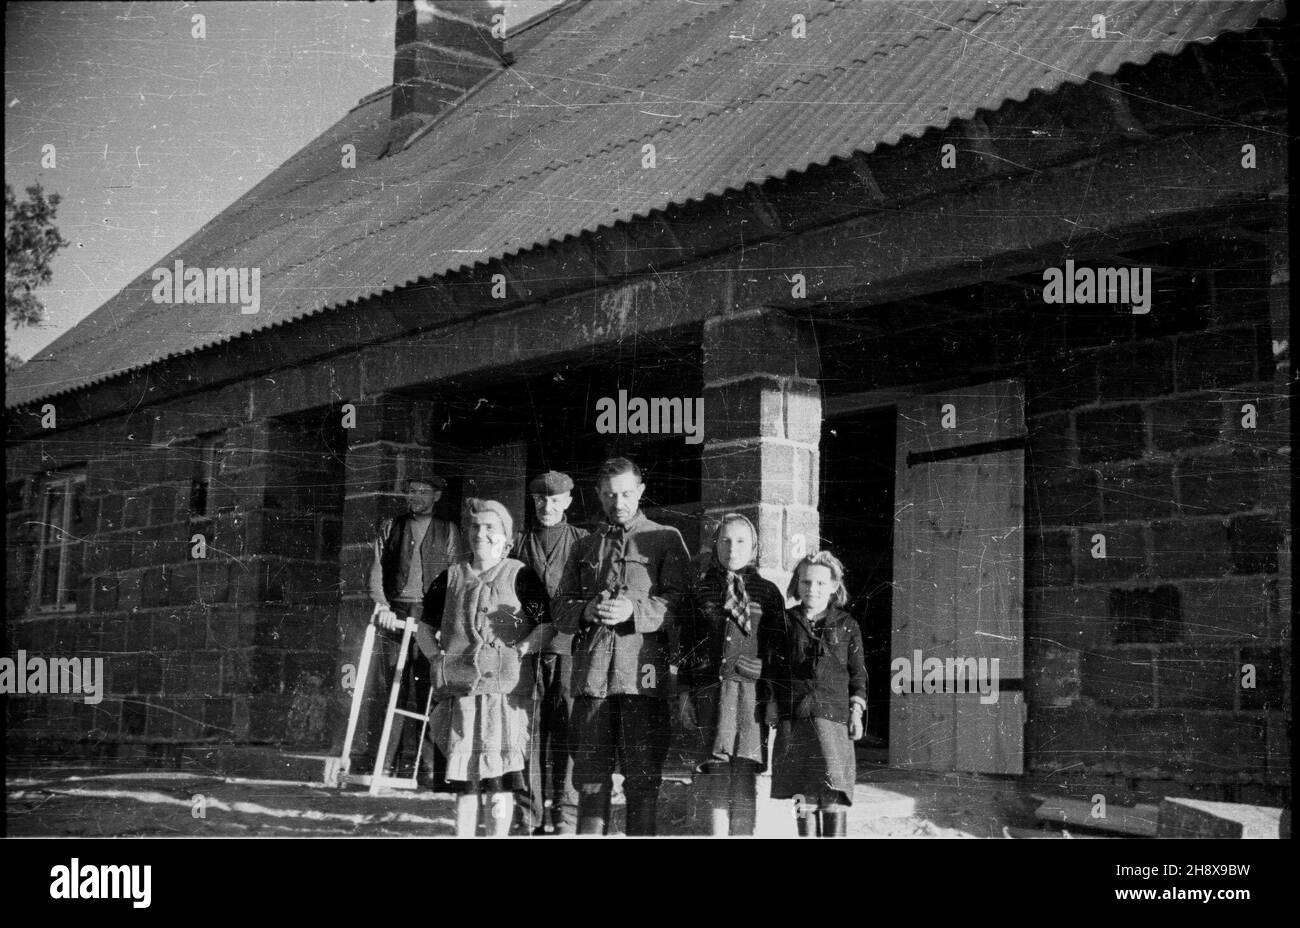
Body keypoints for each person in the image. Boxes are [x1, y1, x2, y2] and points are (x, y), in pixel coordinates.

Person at [555, 457, 690, 835]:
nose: (619, 502)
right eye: (610, 495)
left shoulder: (665, 538)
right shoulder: (584, 545)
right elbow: (559, 606)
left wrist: (634, 609)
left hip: (642, 678)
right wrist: (585, 609)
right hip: (593, 677)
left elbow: (680, 603)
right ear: (599, 495)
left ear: (641, 492)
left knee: (642, 778)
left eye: (627, 494)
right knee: (591, 778)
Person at [422, 498, 553, 836]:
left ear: (506, 535)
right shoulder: (449, 577)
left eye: (490, 527)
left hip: (503, 702)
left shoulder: (521, 575)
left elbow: (545, 625)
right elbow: (425, 629)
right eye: (476, 527)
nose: (481, 533)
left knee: (500, 787)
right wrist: (437, 658)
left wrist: (520, 650)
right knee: (465, 789)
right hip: (461, 700)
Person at [678, 513, 785, 836]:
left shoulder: (767, 593)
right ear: (715, 545)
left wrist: (774, 699)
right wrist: (684, 692)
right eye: (725, 540)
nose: (732, 548)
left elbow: (777, 651)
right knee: (716, 772)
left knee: (743, 774)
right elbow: (686, 645)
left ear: (753, 547)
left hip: (750, 698)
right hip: (710, 693)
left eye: (740, 541)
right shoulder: (700, 591)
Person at [364, 472, 463, 781]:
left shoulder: (448, 531)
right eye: (411, 491)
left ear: (436, 496)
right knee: (388, 688)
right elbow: (376, 567)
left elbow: (455, 577)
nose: (416, 497)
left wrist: (440, 620)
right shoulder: (390, 526)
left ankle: (428, 769)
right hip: (394, 613)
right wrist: (381, 605)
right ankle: (382, 763)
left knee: (427, 692)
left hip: (429, 617)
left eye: (423, 492)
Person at [511, 470, 588, 835]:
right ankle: (529, 816)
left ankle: (566, 815)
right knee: (529, 732)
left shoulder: (583, 542)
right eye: (541, 499)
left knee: (570, 731)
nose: (547, 506)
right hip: (527, 651)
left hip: (570, 650)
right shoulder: (517, 543)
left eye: (555, 500)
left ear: (568, 502)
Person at [769, 550, 866, 837]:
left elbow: (858, 673)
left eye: (821, 583)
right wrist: (773, 703)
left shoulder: (847, 624)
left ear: (834, 586)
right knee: (801, 789)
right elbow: (773, 668)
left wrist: (856, 711)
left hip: (833, 719)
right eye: (806, 582)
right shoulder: (785, 621)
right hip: (796, 717)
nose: (813, 589)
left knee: (833, 785)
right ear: (797, 584)